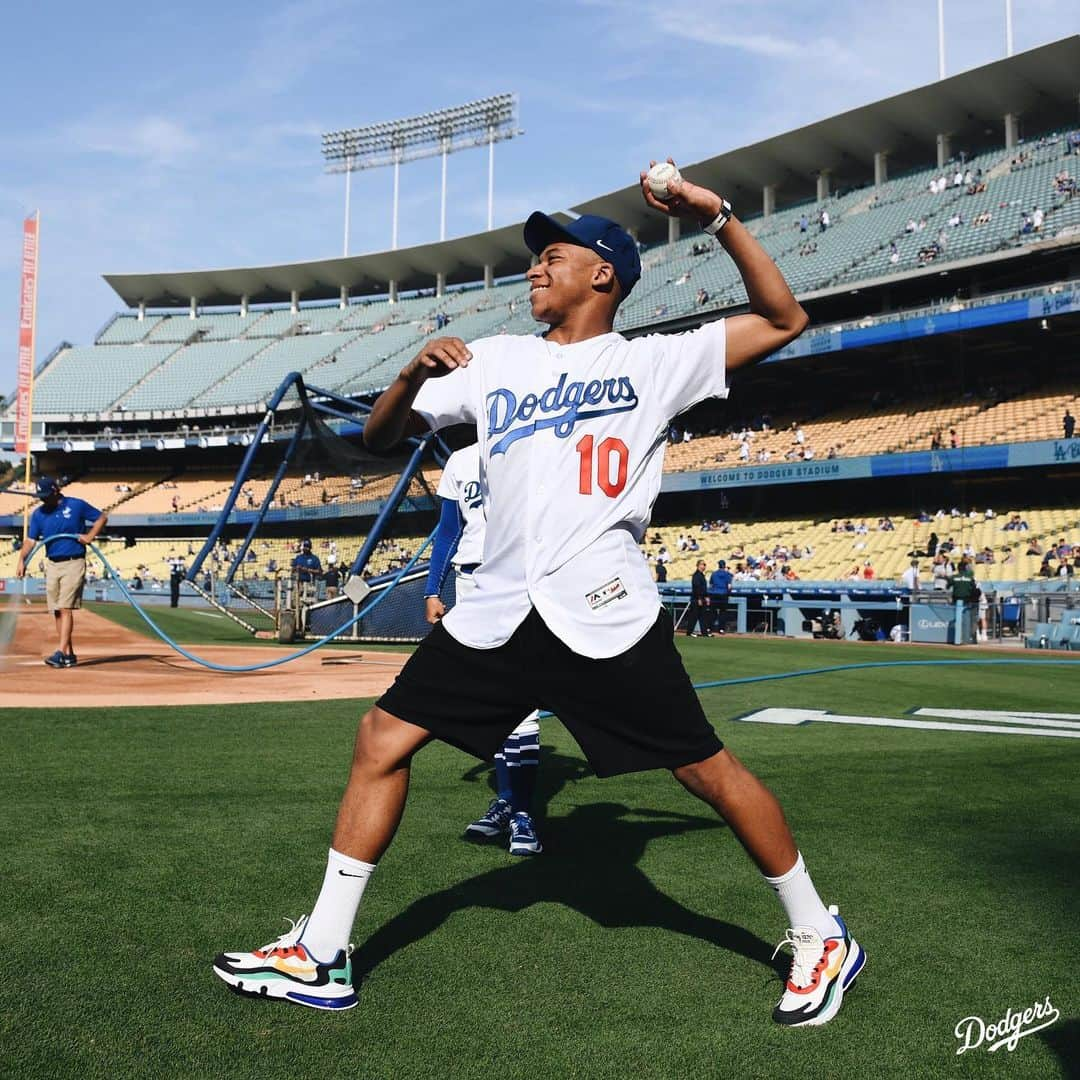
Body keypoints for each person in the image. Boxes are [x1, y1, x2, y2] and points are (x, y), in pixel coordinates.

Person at [214, 161, 863, 1027]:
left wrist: (717, 216)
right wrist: (410, 374)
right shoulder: (496, 361)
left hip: (602, 612)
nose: (533, 268)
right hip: (497, 612)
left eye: (550, 255)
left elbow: (786, 318)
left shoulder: (655, 364)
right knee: (379, 739)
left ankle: (821, 935)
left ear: (602, 273)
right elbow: (377, 439)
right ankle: (323, 953)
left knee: (705, 771)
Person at [424, 442, 543, 856]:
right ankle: (507, 803)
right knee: (489, 699)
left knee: (522, 700)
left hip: (519, 579)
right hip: (470, 583)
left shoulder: (536, 447)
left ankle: (523, 813)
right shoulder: (459, 459)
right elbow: (448, 531)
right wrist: (431, 589)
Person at [15, 477, 108, 668]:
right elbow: (31, 541)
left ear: (56, 490)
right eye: (40, 497)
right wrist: (21, 558)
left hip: (73, 562)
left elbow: (102, 517)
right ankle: (68, 654)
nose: (43, 500)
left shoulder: (76, 505)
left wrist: (90, 536)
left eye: (46, 496)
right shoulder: (39, 514)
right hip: (53, 565)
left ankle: (59, 652)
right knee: (57, 611)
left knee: (65, 608)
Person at [687, 559, 712, 637]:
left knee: (703, 616)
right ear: (698, 565)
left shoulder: (702, 575)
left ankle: (704, 632)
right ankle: (689, 632)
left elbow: (704, 588)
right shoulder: (696, 575)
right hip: (696, 599)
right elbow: (696, 588)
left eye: (704, 565)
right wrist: (699, 598)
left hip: (702, 598)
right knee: (694, 616)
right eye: (702, 564)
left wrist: (707, 597)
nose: (704, 566)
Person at [708, 559, 733, 634]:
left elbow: (711, 585)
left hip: (714, 594)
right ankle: (721, 629)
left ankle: (709, 628)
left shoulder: (714, 574)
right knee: (723, 612)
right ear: (724, 566)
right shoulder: (727, 574)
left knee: (712, 612)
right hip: (723, 594)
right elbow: (729, 586)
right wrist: (728, 593)